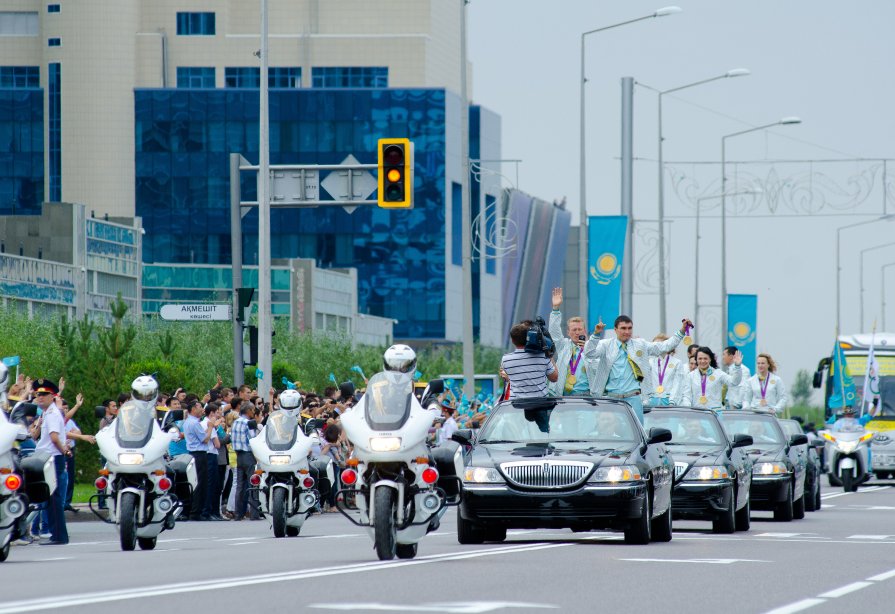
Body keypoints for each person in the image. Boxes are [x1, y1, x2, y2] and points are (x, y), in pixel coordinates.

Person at [584, 315, 693, 422]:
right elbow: (589, 353)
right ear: (615, 329)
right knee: (609, 431)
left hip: (633, 398)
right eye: (623, 328)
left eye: (629, 328)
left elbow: (665, 346)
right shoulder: (606, 344)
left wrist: (682, 331)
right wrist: (596, 335)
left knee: (636, 434)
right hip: (611, 398)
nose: (627, 332)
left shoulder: (640, 344)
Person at [32, 379, 69, 545]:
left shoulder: (53, 414)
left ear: (52, 396)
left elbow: (54, 438)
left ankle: (59, 536)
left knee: (53, 499)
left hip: (52, 459)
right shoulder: (46, 413)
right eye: (38, 394)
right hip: (48, 458)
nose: (40, 397)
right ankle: (57, 534)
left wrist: (65, 451)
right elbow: (37, 435)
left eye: (44, 394)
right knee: (50, 498)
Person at [547, 287, 598, 397]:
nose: (577, 332)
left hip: (586, 397)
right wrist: (555, 308)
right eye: (574, 330)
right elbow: (554, 332)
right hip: (564, 396)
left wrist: (587, 349)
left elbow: (598, 370)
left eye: (580, 329)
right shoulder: (563, 346)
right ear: (568, 332)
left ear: (585, 331)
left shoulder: (593, 348)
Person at [500, 321, 559, 399]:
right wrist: (548, 353)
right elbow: (554, 378)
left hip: (516, 406)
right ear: (529, 338)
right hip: (540, 404)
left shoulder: (506, 359)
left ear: (512, 341)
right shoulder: (543, 356)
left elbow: (511, 377)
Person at [183, 399, 215, 521]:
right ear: (192, 409)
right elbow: (205, 439)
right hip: (199, 454)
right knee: (200, 483)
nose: (202, 410)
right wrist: (211, 426)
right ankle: (196, 511)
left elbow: (202, 436)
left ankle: (195, 510)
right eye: (199, 407)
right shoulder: (194, 423)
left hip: (193, 453)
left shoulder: (188, 422)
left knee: (196, 482)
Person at [231, 401, 260, 521]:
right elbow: (253, 440)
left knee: (240, 486)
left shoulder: (235, 422)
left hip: (239, 455)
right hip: (248, 455)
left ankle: (239, 513)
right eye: (253, 410)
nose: (254, 412)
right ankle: (254, 514)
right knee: (253, 484)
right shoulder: (249, 423)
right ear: (248, 411)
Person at [645, 335, 690, 406]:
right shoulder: (650, 362)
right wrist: (647, 400)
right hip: (653, 401)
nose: (655, 347)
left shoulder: (677, 363)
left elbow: (677, 384)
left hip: (669, 401)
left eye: (658, 344)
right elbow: (646, 382)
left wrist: (672, 401)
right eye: (653, 345)